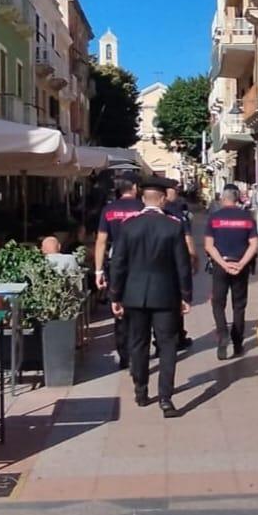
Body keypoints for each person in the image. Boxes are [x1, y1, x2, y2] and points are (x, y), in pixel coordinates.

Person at [109, 177, 193, 418]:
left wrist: (115, 294)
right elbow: (182, 265)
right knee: (167, 346)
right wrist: (186, 295)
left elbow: (118, 264)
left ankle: (140, 390)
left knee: (138, 343)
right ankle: (166, 399)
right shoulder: (173, 225)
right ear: (163, 199)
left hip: (134, 295)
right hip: (166, 295)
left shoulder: (128, 226)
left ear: (141, 199)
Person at [203, 184, 258, 360]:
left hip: (221, 265)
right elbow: (254, 244)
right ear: (237, 199)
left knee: (218, 303)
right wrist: (241, 263)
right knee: (239, 305)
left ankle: (222, 335)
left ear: (223, 199)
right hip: (240, 267)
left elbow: (208, 246)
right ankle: (237, 343)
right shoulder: (247, 218)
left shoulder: (214, 218)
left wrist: (223, 264)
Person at [95, 172, 144, 369]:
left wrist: (98, 271)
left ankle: (124, 353)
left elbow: (101, 241)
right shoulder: (142, 209)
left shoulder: (109, 209)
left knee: (118, 307)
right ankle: (137, 351)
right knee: (139, 308)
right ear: (134, 187)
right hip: (140, 263)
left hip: (116, 264)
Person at [163, 180, 198, 351]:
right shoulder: (178, 214)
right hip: (176, 263)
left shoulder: (154, 212)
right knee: (177, 301)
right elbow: (188, 237)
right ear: (167, 193)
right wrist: (193, 257)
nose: (177, 193)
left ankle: (164, 337)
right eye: (174, 190)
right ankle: (177, 336)